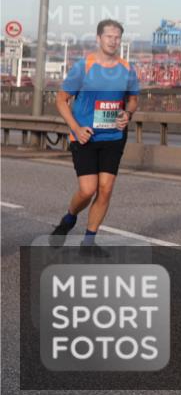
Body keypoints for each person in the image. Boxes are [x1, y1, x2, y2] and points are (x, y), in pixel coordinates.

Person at [50, 19, 139, 251]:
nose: (113, 41)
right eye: (109, 36)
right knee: (88, 190)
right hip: (85, 137)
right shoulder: (84, 66)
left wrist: (127, 113)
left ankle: (88, 242)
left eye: (117, 37)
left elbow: (133, 99)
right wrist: (76, 129)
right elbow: (61, 100)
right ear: (99, 39)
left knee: (106, 189)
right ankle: (69, 218)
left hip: (114, 136)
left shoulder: (127, 69)